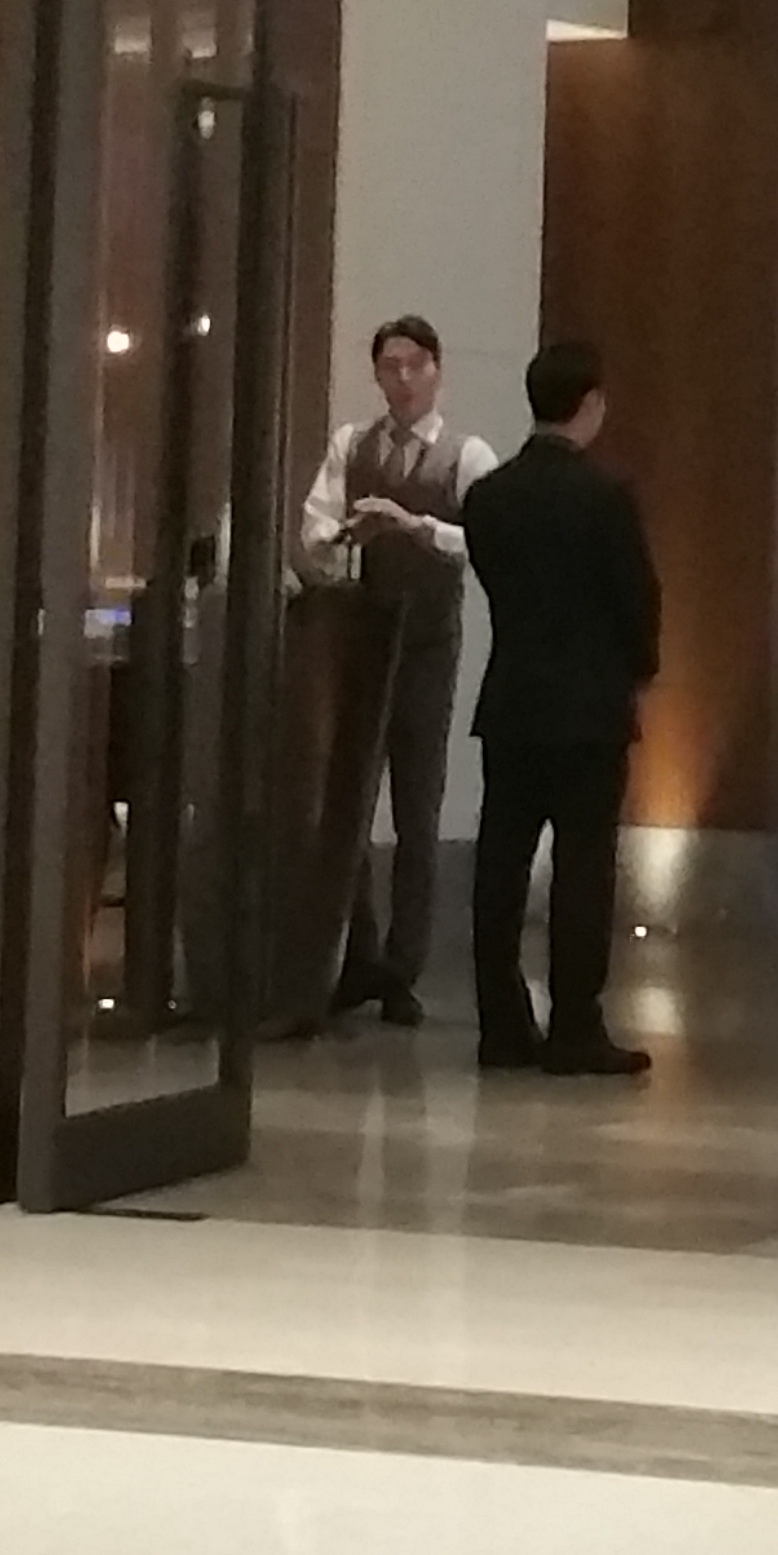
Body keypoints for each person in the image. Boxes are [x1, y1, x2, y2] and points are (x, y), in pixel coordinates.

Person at [462, 339, 661, 1078]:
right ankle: (575, 1025)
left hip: (512, 698)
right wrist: (638, 668)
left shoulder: (489, 497)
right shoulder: (606, 498)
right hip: (589, 706)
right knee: (582, 866)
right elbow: (637, 598)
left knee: (500, 865)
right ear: (591, 403)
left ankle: (501, 1023)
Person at [294, 315, 493, 1025]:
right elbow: (313, 530)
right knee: (347, 799)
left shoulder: (468, 455)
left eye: (415, 366)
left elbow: (489, 538)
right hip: (359, 639)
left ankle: (404, 965)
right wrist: (347, 534)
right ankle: (358, 953)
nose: (403, 380)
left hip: (429, 644)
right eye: (390, 367)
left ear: (437, 370)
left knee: (417, 806)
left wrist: (415, 526)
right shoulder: (353, 445)